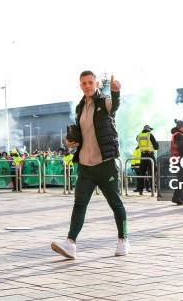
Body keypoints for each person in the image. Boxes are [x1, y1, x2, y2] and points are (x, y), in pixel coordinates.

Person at [51, 71, 128, 259]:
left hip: (105, 164)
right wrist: (71, 141)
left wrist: (116, 91)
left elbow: (115, 105)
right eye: (84, 83)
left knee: (115, 203)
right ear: (80, 85)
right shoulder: (79, 107)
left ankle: (123, 240)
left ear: (96, 84)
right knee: (79, 204)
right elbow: (82, 133)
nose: (87, 86)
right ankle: (70, 243)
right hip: (85, 165)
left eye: (90, 82)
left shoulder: (104, 101)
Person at [170, 119, 183, 205]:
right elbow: (180, 148)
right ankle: (176, 198)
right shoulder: (179, 135)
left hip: (177, 160)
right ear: (181, 127)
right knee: (182, 180)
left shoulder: (175, 135)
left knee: (181, 180)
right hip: (181, 160)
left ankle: (180, 198)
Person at [135, 125, 159, 194]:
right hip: (150, 156)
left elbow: (139, 143)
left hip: (142, 156)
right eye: (150, 129)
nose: (150, 130)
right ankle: (153, 189)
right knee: (152, 172)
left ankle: (140, 190)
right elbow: (156, 146)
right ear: (148, 129)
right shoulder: (150, 135)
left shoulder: (138, 136)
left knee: (142, 173)